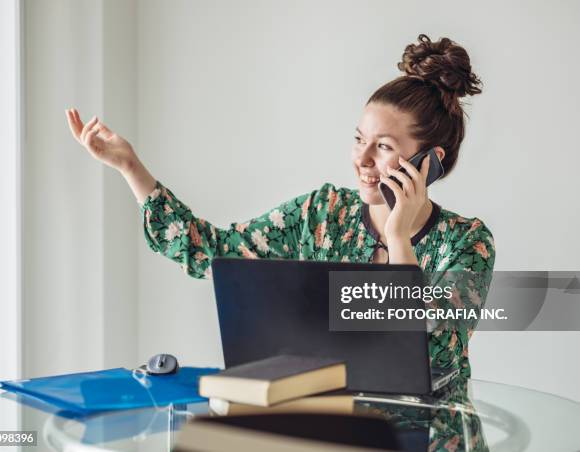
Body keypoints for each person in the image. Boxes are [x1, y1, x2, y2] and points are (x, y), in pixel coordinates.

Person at [66, 34, 495, 381]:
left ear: (430, 161)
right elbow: (211, 253)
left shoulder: (467, 243)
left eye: (383, 147)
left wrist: (399, 239)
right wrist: (130, 167)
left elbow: (431, 357)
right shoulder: (321, 213)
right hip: (331, 434)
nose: (362, 160)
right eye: (358, 138)